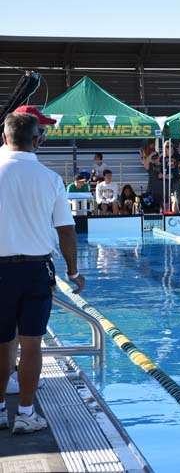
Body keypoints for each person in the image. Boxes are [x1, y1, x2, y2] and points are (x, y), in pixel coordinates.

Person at [0, 110, 84, 435]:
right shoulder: (50, 179)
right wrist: (74, 270)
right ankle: (24, 413)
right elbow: (66, 232)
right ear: (38, 140)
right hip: (35, 270)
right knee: (32, 344)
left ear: (4, 138)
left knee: (1, 342)